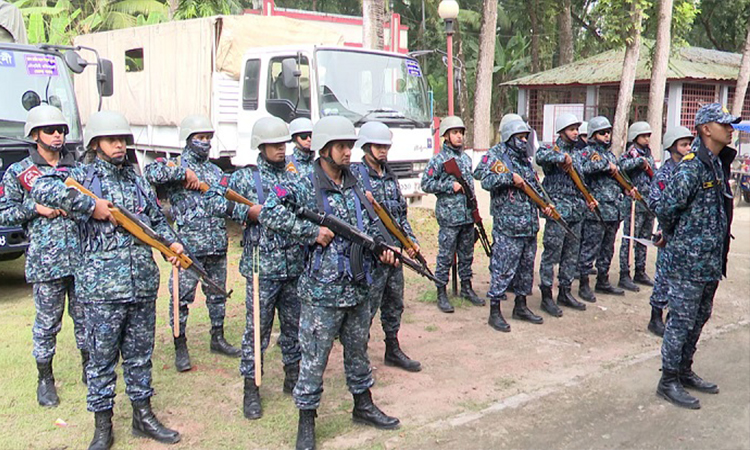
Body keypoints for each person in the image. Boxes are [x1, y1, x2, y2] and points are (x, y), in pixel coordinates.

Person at [31, 111, 183, 449]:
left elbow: (156, 222)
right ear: (96, 143)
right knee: (100, 363)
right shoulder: (82, 176)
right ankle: (103, 427)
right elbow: (41, 188)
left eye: (122, 139)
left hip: (142, 285)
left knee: (140, 355)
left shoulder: (137, 179)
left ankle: (142, 416)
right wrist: (90, 204)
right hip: (100, 291)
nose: (119, 145)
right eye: (112, 139)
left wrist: (171, 244)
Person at [258, 116, 401, 450]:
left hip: (357, 287)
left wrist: (384, 248)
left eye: (350, 146)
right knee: (314, 358)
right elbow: (269, 211)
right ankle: (306, 421)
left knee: (357, 351)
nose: (348, 152)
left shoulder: (355, 184)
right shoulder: (303, 183)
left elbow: (369, 226)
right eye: (341, 146)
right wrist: (311, 232)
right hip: (322, 292)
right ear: (324, 149)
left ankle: (363, 405)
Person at [206, 116, 303, 419]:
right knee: (257, 330)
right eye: (274, 144)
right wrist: (247, 212)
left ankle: (293, 377)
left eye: (282, 144)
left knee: (294, 327)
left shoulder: (295, 175)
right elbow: (213, 199)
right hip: (261, 263)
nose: (280, 149)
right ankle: (252, 387)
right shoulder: (246, 177)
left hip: (294, 264)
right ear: (260, 146)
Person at [0, 105, 86, 407]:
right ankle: (45, 378)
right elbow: (4, 212)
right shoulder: (19, 173)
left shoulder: (77, 170)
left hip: (82, 259)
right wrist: (34, 209)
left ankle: (91, 368)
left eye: (61, 130)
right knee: (48, 324)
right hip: (46, 262)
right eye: (51, 130)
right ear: (35, 135)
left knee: (85, 319)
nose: (58, 135)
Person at [655, 104, 737, 409]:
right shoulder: (691, 166)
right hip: (688, 261)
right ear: (705, 129)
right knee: (681, 320)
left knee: (700, 317)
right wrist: (676, 237)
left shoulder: (715, 164)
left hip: (709, 260)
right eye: (724, 124)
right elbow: (665, 207)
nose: (730, 129)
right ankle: (668, 380)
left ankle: (685, 370)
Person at [144, 114, 240, 373]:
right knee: (181, 298)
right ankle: (180, 343)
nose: (205, 142)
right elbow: (150, 172)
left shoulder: (216, 171)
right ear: (188, 140)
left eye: (208, 137)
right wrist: (182, 172)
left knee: (218, 293)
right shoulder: (174, 166)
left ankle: (217, 337)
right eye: (200, 138)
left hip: (216, 242)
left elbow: (226, 196)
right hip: (187, 246)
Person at [351, 121, 421, 371]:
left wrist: (410, 241)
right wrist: (379, 247)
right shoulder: (355, 176)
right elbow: (355, 219)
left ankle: (392, 348)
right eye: (378, 146)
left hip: (396, 253)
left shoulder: (389, 176)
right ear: (367, 146)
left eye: (386, 146)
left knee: (394, 304)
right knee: (365, 309)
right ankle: (359, 359)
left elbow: (400, 215)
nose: (383, 151)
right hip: (372, 256)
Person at [474, 119, 550, 332]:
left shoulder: (525, 159)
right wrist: (508, 177)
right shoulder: (497, 156)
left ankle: (521, 306)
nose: (524, 141)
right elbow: (484, 179)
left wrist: (545, 204)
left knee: (526, 268)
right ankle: (495, 311)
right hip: (508, 225)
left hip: (528, 224)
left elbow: (533, 185)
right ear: (509, 136)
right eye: (520, 137)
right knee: (503, 269)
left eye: (526, 137)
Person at [421, 116, 484, 313]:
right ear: (446, 136)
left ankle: (466, 287)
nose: (459, 136)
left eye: (461, 133)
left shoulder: (465, 158)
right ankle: (441, 291)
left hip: (466, 216)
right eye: (455, 133)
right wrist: (449, 186)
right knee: (446, 256)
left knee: (467, 254)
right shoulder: (439, 160)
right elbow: (426, 184)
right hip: (449, 218)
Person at [535, 113, 588, 314]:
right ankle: (547, 295)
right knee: (552, 252)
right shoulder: (551, 149)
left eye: (577, 129)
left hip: (577, 210)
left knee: (571, 254)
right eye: (572, 129)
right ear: (562, 131)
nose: (575, 133)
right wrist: (560, 157)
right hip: (558, 212)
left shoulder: (580, 153)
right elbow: (540, 157)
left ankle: (565, 292)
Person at [647, 126, 694, 337]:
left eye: (689, 144)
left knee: (682, 278)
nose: (688, 148)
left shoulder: (691, 169)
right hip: (668, 231)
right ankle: (655, 317)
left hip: (687, 233)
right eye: (684, 144)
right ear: (672, 147)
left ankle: (673, 317)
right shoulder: (664, 173)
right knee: (664, 275)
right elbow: (655, 202)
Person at [578, 116, 628, 298]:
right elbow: (584, 168)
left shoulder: (610, 154)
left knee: (608, 248)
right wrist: (606, 165)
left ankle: (603, 280)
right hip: (596, 211)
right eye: (602, 133)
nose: (607, 136)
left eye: (608, 132)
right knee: (590, 247)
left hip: (613, 210)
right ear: (592, 135)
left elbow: (619, 173)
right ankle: (583, 284)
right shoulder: (586, 152)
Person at [618, 121, 656, 292]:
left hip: (648, 202)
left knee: (644, 238)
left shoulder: (648, 153)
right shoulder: (630, 154)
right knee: (630, 238)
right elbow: (620, 167)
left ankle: (640, 270)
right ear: (635, 137)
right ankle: (624, 274)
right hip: (634, 203)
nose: (647, 139)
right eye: (643, 136)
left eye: (648, 136)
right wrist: (637, 162)